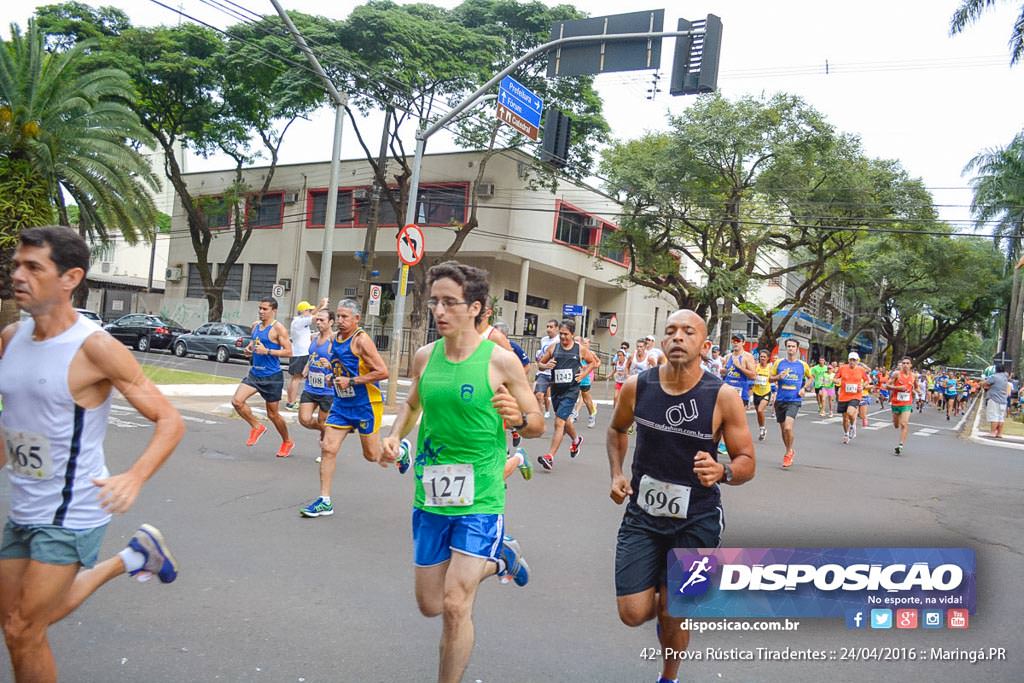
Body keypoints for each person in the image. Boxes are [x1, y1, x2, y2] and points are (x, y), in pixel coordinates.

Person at [0, 227, 184, 683]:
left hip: (74, 508)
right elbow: (13, 422)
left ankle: (130, 558)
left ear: (70, 277)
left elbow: (169, 419)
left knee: (24, 628)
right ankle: (133, 558)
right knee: (14, 622)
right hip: (24, 505)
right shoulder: (9, 338)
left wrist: (135, 477)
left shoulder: (94, 347)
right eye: (16, 265)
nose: (17, 275)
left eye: (33, 267)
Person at [380, 261, 543, 683]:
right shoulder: (424, 357)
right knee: (430, 604)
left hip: (482, 498)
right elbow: (413, 404)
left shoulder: (501, 362)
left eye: (450, 302)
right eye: (435, 301)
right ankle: (502, 556)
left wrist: (519, 420)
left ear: (476, 308)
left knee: (455, 604)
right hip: (431, 497)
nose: (439, 311)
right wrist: (395, 435)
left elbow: (537, 422)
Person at [606, 309, 755, 683]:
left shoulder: (722, 397)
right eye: (670, 331)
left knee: (674, 609)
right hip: (643, 515)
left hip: (697, 518)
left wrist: (724, 471)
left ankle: (668, 677)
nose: (677, 337)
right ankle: (665, 593)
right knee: (633, 613)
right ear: (661, 341)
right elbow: (616, 429)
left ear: (704, 346)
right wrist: (617, 473)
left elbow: (747, 461)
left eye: (688, 332)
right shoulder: (638, 387)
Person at [300, 300, 390, 518]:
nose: (340, 321)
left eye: (345, 317)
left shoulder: (361, 340)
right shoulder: (334, 339)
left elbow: (382, 372)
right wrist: (332, 377)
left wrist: (352, 382)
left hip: (365, 404)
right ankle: (324, 500)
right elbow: (339, 365)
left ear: (356, 319)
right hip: (341, 404)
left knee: (371, 455)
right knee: (328, 448)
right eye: (338, 316)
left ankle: (400, 452)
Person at [233, 298, 295, 458]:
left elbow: (289, 352)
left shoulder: (278, 329)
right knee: (237, 401)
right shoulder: (255, 326)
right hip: (255, 374)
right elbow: (255, 344)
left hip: (272, 376)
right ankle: (256, 426)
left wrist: (267, 351)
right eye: (260, 308)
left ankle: (287, 441)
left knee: (273, 414)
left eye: (265, 309)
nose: (261, 311)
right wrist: (249, 349)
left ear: (273, 310)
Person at [535, 320, 600, 471]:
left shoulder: (580, 349)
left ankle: (549, 456)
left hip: (571, 391)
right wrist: (546, 365)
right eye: (561, 334)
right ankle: (576, 440)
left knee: (559, 422)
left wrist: (584, 373)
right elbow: (540, 364)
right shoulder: (554, 348)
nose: (563, 337)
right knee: (565, 421)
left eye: (566, 334)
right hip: (557, 390)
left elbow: (593, 362)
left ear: (572, 334)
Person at [297, 309, 336, 459]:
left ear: (331, 322)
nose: (318, 322)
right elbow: (312, 356)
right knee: (304, 419)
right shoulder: (314, 338)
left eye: (322, 320)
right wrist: (307, 367)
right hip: (311, 387)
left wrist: (330, 366)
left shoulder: (334, 341)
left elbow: (343, 364)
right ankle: (326, 431)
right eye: (317, 320)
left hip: (328, 390)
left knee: (323, 420)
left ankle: (325, 451)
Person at [769, 339, 814, 469]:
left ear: (797, 348)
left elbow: (811, 378)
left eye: (793, 346)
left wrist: (803, 388)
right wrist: (778, 377)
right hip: (781, 399)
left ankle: (788, 452)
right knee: (783, 430)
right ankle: (789, 450)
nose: (790, 349)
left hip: (794, 399)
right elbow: (769, 378)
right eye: (788, 346)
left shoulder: (802, 365)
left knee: (788, 427)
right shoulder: (779, 363)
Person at [286, 298, 328, 409]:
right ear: (304, 312)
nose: (310, 312)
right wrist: (322, 306)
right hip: (301, 353)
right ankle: (292, 402)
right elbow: (316, 317)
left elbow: (312, 315)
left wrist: (318, 306)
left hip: (297, 353)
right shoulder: (300, 321)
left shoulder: (298, 321)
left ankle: (290, 401)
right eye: (308, 310)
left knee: (295, 378)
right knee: (297, 378)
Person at [834, 352, 870, 444]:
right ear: (848, 360)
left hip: (855, 395)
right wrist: (837, 380)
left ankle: (853, 425)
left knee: (850, 412)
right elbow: (834, 378)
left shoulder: (861, 370)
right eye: (851, 360)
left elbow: (867, 380)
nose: (852, 362)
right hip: (843, 396)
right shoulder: (842, 368)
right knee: (845, 418)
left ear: (857, 361)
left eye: (854, 360)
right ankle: (846, 434)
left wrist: (862, 386)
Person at [888, 357, 917, 455]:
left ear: (910, 365)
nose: (905, 365)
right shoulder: (896, 374)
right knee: (896, 425)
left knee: (904, 424)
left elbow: (915, 387)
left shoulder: (914, 376)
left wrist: (917, 392)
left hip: (907, 403)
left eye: (907, 363)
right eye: (903, 363)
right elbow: (887, 385)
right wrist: (897, 387)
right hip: (896, 403)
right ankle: (895, 420)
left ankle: (900, 445)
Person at [533, 320, 559, 419]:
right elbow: (542, 355)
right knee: (539, 395)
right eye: (547, 326)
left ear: (556, 328)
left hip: (555, 373)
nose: (548, 329)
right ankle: (539, 418)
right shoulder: (543, 340)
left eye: (551, 327)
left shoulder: (559, 340)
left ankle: (562, 417)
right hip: (543, 372)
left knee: (557, 399)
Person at [722, 332, 756, 407]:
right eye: (734, 341)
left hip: (741, 391)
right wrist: (723, 371)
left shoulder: (748, 357)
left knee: (738, 418)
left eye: (738, 341)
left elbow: (753, 376)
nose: (735, 343)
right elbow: (725, 373)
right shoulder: (728, 356)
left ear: (743, 343)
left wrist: (740, 367)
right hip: (727, 390)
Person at [751, 349, 774, 441]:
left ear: (768, 358)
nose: (762, 358)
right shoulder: (756, 367)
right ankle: (762, 428)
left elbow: (773, 377)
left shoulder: (770, 368)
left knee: (760, 410)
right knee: (758, 412)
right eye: (761, 356)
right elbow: (752, 377)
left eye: (764, 357)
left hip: (766, 392)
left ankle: (762, 429)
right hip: (756, 392)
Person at [983, 364, 1010, 438]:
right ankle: (999, 433)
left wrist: (986, 384)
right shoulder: (1005, 376)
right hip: (1003, 399)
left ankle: (992, 432)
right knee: (1001, 417)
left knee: (994, 416)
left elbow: (985, 383)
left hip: (994, 398)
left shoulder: (994, 377)